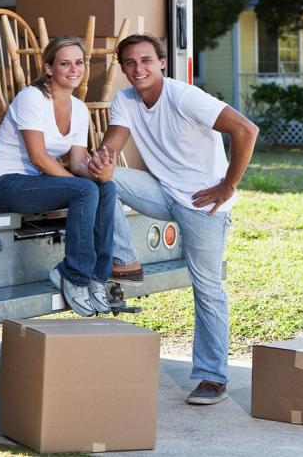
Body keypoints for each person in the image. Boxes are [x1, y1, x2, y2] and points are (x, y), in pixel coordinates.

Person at [88, 33, 259, 405]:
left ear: (162, 63)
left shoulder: (184, 96)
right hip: (163, 192)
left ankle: (212, 378)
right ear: (123, 67)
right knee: (102, 180)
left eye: (146, 60)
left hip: (203, 203)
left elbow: (246, 130)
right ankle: (124, 260)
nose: (138, 68)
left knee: (207, 288)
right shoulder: (126, 100)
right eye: (130, 62)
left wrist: (227, 186)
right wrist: (100, 159)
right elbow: (113, 143)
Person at [0, 36, 118, 318]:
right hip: (1, 184)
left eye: (79, 63)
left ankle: (97, 277)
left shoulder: (79, 109)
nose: (73, 69)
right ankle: (73, 276)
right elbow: (39, 158)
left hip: (35, 184)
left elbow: (78, 163)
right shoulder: (32, 97)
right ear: (49, 68)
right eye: (65, 63)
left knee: (106, 187)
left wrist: (97, 171)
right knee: (85, 191)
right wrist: (80, 185)